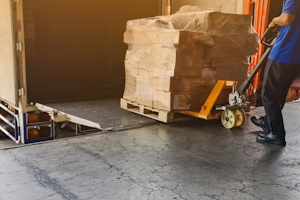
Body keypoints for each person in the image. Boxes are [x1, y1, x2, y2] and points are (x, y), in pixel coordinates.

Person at [251, 0, 300, 146]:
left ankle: (276, 134)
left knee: (269, 94)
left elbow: (287, 18)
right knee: (279, 92)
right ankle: (268, 122)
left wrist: (274, 20)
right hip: (296, 56)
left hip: (283, 53)